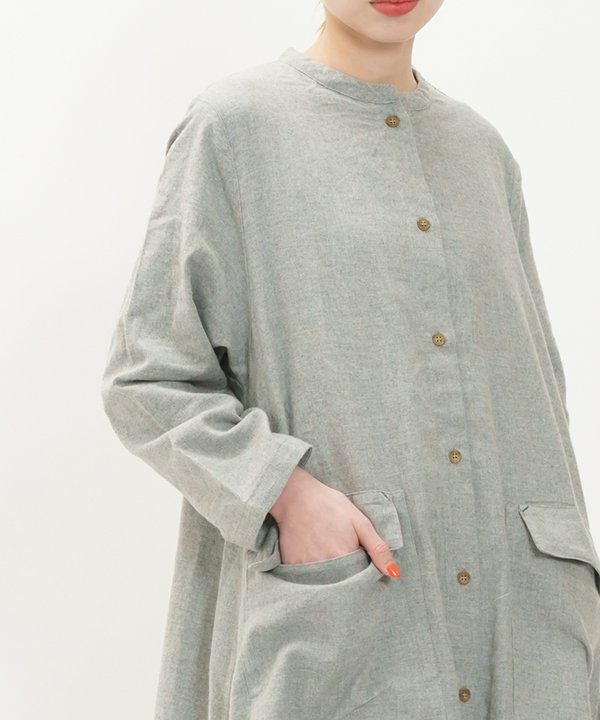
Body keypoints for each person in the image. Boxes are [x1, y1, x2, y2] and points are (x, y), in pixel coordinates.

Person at [100, 1, 600, 718]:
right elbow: (147, 377)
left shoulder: (482, 152)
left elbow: (538, 391)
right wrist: (284, 491)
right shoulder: (235, 128)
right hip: (344, 627)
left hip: (525, 630)